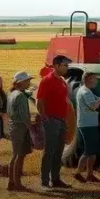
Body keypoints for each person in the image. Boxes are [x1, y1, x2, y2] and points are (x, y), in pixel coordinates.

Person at [36, 55, 72, 189]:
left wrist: (66, 120)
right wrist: (45, 119)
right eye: (65, 65)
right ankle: (44, 181)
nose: (67, 67)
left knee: (59, 151)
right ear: (56, 65)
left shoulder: (62, 81)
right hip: (51, 120)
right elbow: (40, 102)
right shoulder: (46, 81)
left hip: (61, 120)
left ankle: (56, 179)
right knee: (49, 151)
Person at [74, 72, 100, 183]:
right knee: (88, 151)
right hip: (87, 125)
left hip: (88, 124)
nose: (96, 81)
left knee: (92, 152)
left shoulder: (85, 91)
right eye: (94, 79)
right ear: (87, 79)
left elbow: (95, 101)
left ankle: (89, 175)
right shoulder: (86, 92)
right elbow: (93, 106)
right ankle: (78, 173)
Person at [7, 71, 35, 191]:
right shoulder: (21, 96)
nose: (29, 82)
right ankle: (17, 184)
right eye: (27, 80)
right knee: (19, 156)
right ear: (20, 83)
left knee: (15, 156)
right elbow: (24, 116)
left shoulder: (12, 94)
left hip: (13, 126)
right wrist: (32, 129)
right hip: (20, 127)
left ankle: (11, 182)